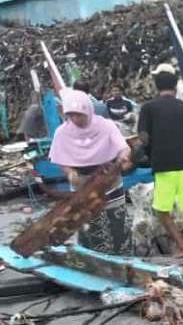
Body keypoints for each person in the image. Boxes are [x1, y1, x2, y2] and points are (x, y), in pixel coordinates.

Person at [47, 89, 133, 254]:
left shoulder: (106, 126)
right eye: (71, 115)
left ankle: (123, 257)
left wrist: (123, 156)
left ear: (88, 110)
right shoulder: (62, 132)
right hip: (82, 183)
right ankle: (93, 258)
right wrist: (70, 172)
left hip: (109, 179)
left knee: (116, 220)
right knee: (87, 223)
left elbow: (123, 148)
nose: (75, 119)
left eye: (79, 115)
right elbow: (60, 158)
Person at [136, 66, 183, 258]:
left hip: (162, 165)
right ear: (175, 86)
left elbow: (143, 138)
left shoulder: (148, 108)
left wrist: (149, 156)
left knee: (161, 210)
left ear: (157, 87)